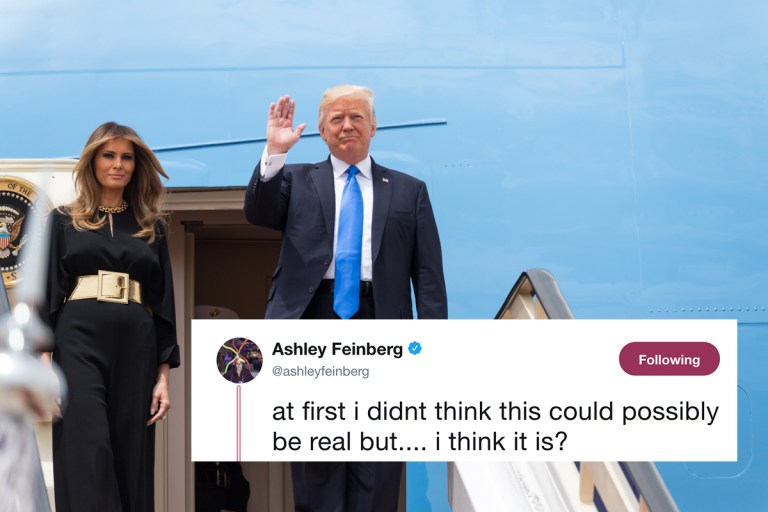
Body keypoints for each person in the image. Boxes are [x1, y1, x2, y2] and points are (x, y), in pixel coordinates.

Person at [244, 85, 447, 511]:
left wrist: (435, 348)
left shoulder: (410, 190)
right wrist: (274, 152)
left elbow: (427, 277)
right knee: (317, 452)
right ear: (321, 130)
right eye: (336, 118)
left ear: (373, 126)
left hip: (381, 322)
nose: (347, 125)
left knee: (379, 451)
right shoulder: (296, 178)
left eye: (357, 117)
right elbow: (259, 213)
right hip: (313, 320)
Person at [43, 122, 179, 511]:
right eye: (109, 155)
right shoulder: (63, 220)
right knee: (89, 447)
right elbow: (48, 295)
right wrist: (44, 365)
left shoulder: (153, 227)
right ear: (92, 161)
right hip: (78, 338)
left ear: (137, 166)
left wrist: (163, 378)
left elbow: (163, 306)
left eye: (126, 157)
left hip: (137, 342)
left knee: (129, 452)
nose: (117, 164)